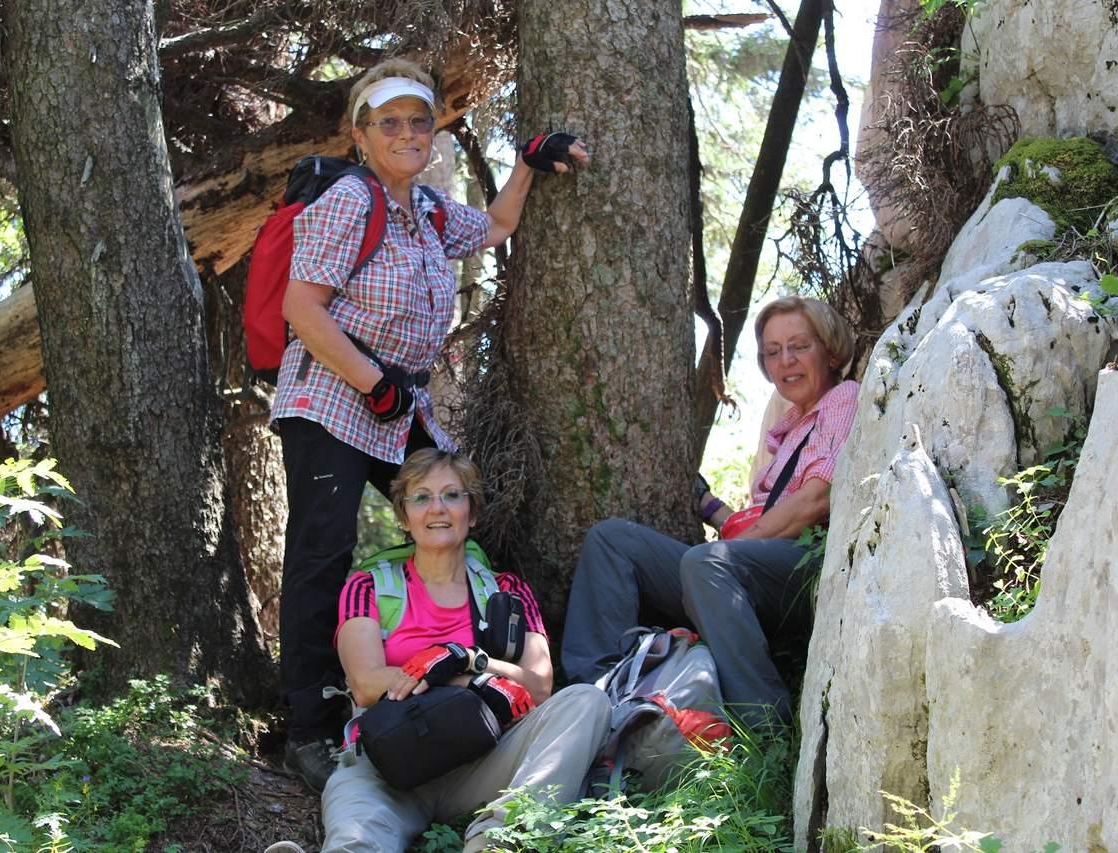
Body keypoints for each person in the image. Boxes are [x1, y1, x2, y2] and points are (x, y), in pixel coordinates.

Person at [269, 57, 589, 790]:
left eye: (420, 121)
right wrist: (372, 381)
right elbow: (301, 308)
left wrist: (527, 162)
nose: (408, 133)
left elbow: (498, 223)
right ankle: (310, 728)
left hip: (397, 405)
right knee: (322, 552)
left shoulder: (430, 210)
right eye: (390, 123)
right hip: (332, 399)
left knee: (456, 515)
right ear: (360, 135)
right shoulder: (349, 200)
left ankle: (476, 679)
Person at [266, 449, 611, 853]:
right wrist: (460, 677)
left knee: (586, 701)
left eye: (452, 495)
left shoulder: (506, 591)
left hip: (484, 756)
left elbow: (539, 686)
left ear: (472, 512)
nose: (437, 508)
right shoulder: (368, 586)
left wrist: (469, 660)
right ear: (404, 516)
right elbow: (365, 684)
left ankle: (498, 842)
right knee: (355, 835)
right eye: (421, 497)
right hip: (385, 763)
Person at [560, 296, 859, 730]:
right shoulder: (792, 425)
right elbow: (767, 518)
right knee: (612, 541)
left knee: (706, 563)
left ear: (830, 351)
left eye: (799, 346)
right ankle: (596, 701)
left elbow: (817, 499)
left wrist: (727, 550)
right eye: (772, 352)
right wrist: (712, 509)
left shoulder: (843, 398)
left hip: (810, 568)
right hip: (755, 567)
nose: (785, 361)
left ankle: (765, 728)